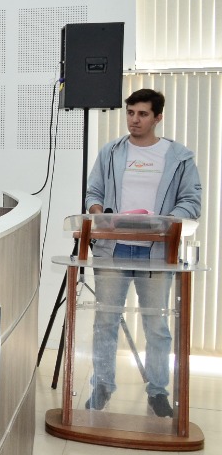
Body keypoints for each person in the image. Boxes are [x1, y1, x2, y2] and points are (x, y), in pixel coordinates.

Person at [83, 87, 202, 418]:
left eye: (143, 114)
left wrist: (166, 221)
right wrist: (99, 212)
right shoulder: (111, 152)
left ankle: (158, 391)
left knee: (157, 326)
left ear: (158, 117)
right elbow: (93, 192)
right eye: (130, 113)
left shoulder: (178, 157)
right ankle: (102, 386)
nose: (134, 120)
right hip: (113, 248)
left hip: (157, 252)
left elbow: (191, 201)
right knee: (105, 321)